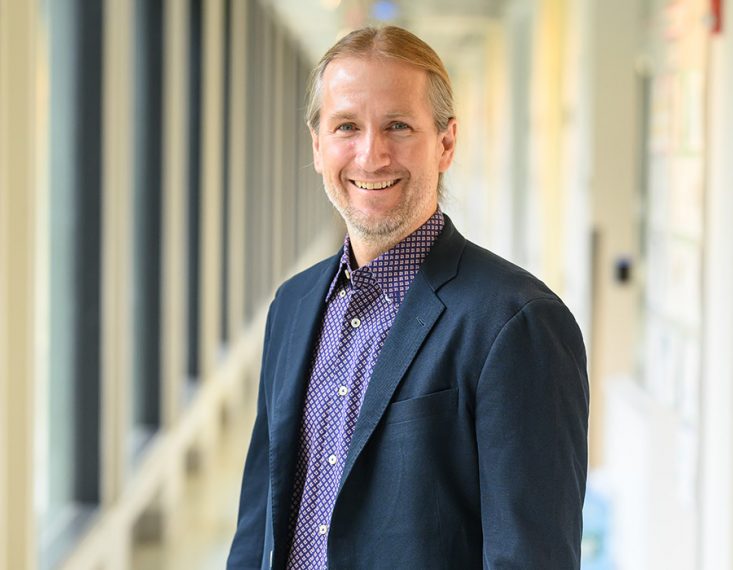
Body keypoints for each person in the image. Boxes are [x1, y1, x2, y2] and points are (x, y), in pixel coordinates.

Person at [227, 25, 588, 570]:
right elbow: (258, 525)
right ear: (317, 144)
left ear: (445, 143)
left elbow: (530, 558)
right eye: (346, 126)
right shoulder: (293, 306)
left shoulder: (516, 323)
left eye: (398, 126)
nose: (371, 155)